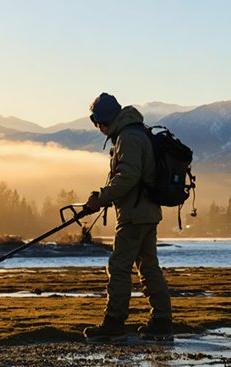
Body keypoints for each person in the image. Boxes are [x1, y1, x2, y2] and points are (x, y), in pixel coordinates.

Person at [83, 93, 173, 343]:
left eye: (97, 122)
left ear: (104, 120)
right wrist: (105, 197)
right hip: (146, 212)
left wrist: (102, 197)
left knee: (119, 267)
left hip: (134, 214)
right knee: (148, 266)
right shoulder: (136, 132)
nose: (98, 128)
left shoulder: (128, 137)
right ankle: (162, 321)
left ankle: (114, 322)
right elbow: (130, 177)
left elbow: (127, 177)